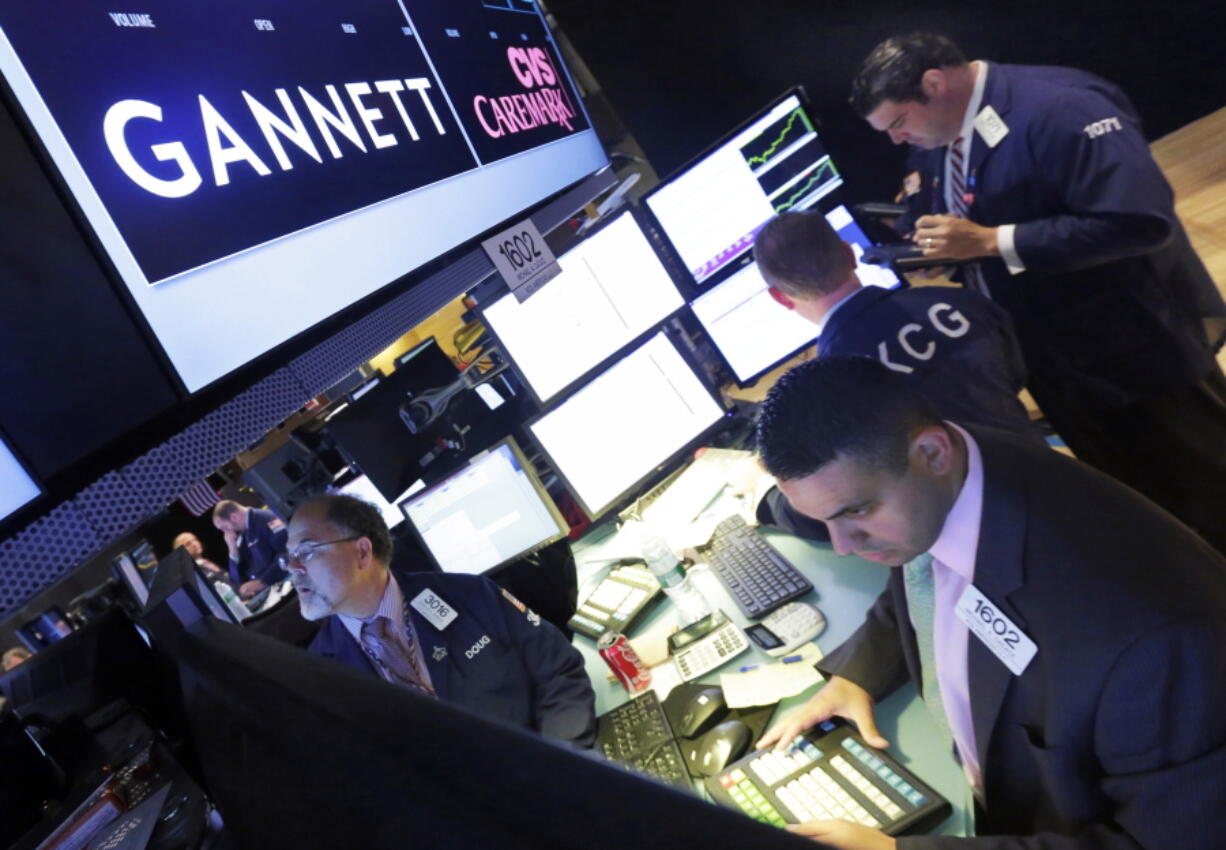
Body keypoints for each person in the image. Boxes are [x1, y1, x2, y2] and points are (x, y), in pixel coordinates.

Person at [752, 356, 1226, 850]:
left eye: (855, 512)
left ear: (932, 452)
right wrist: (860, 673)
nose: (844, 545)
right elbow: (923, 578)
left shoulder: (1155, 643)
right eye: (825, 520)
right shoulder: (948, 468)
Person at [849, 32, 1226, 554]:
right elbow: (932, 201)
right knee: (1144, 506)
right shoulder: (938, 138)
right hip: (1055, 363)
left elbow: (1139, 220)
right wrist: (932, 246)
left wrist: (989, 241)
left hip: (1136, 353)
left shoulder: (1060, 108)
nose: (897, 140)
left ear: (934, 84)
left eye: (897, 123)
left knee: (1206, 485)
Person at [751, 209, 1043, 540]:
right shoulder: (959, 300)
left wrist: (766, 498)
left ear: (779, 298)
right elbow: (1016, 376)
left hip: (970, 530)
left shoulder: (829, 391)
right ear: (850, 253)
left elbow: (846, 502)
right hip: (1043, 474)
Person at [288, 493, 597, 748]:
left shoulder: (470, 594)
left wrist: (564, 768)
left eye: (306, 551)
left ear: (363, 552)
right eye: (288, 556)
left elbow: (558, 672)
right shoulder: (318, 676)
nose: (292, 567)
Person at [211, 501, 288, 599]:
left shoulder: (266, 519)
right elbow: (236, 580)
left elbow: (288, 553)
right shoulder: (241, 533)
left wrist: (263, 581)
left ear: (234, 517)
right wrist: (232, 548)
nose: (226, 533)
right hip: (266, 590)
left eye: (225, 528)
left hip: (282, 583)